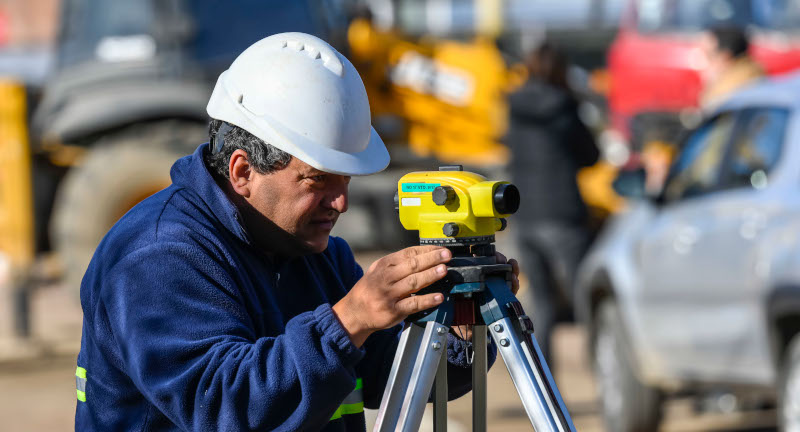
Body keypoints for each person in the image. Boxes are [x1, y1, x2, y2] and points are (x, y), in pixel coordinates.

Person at [74, 33, 519, 431]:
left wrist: (463, 324)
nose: (340, 202)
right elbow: (226, 407)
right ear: (243, 170)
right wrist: (350, 319)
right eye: (317, 180)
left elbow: (396, 376)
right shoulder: (158, 256)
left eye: (345, 180)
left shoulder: (315, 255)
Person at [505, 42, 599, 364]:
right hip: (564, 214)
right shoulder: (564, 105)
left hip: (527, 216)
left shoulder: (514, 105)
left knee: (541, 303)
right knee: (585, 298)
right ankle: (604, 367)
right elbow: (591, 155)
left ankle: (544, 379)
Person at [699, 25, 764, 110]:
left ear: (724, 57)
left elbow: (710, 109)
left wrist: (712, 84)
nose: (702, 62)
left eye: (708, 55)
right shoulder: (753, 70)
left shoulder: (726, 91)